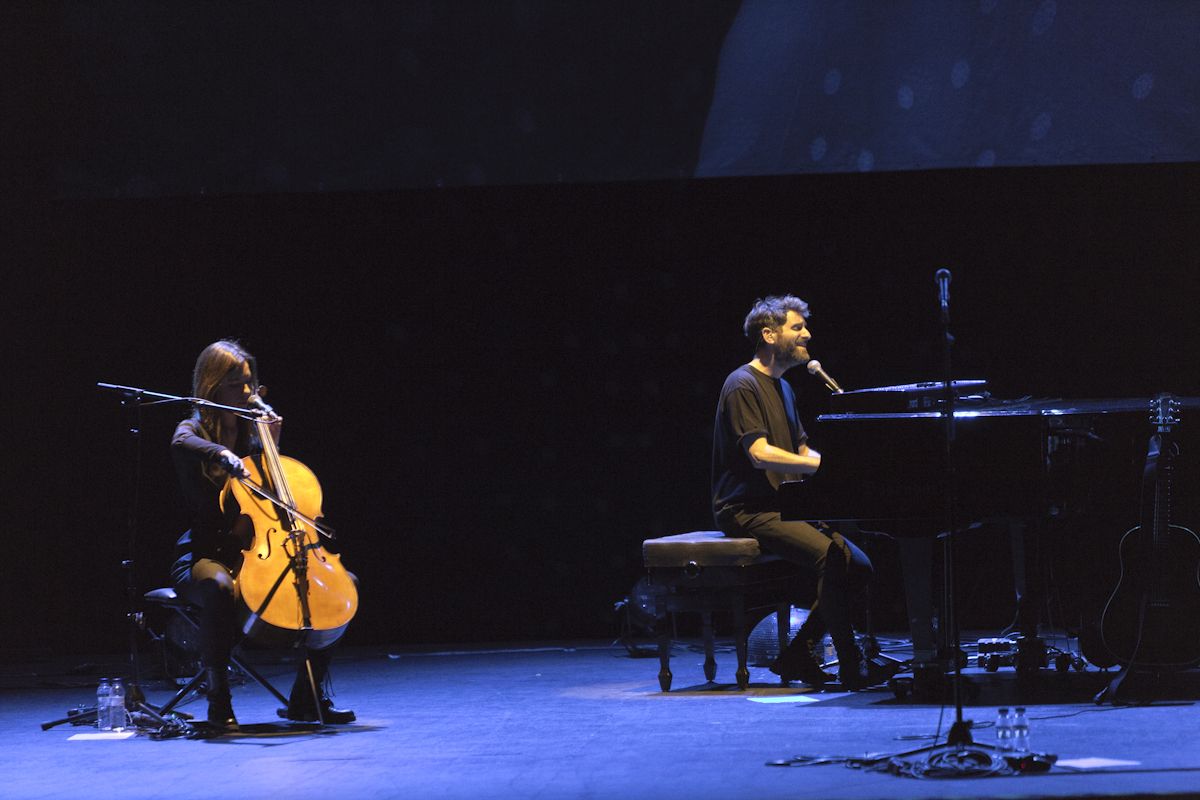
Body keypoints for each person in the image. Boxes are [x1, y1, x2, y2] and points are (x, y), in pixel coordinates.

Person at [170, 339, 356, 729]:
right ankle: (219, 700)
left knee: (340, 587)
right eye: (239, 384)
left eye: (252, 384)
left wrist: (273, 444)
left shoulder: (256, 436)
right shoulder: (193, 429)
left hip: (258, 552)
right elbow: (181, 442)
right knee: (220, 588)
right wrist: (220, 453)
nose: (249, 393)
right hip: (207, 554)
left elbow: (272, 499)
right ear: (214, 385)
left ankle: (306, 698)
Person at [711, 295, 886, 690]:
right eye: (797, 327)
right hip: (746, 508)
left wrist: (840, 468)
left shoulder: (785, 388)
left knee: (859, 565)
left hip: (782, 504)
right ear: (769, 335)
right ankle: (850, 664)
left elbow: (801, 450)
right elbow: (760, 455)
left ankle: (799, 654)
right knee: (832, 557)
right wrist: (823, 467)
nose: (807, 334)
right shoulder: (742, 384)